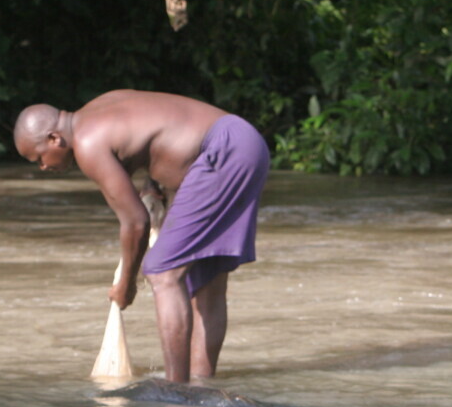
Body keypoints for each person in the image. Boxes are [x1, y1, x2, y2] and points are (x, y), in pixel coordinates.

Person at [14, 90, 269, 383]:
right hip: (243, 140)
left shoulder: (86, 144)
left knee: (162, 271)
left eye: (39, 158)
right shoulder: (97, 108)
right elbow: (160, 131)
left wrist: (127, 285)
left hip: (222, 152)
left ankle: (176, 391)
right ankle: (202, 385)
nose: (43, 166)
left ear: (53, 139)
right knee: (206, 277)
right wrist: (152, 185)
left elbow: (136, 222)